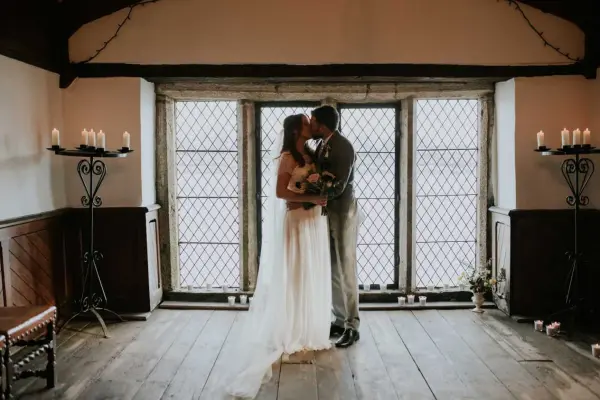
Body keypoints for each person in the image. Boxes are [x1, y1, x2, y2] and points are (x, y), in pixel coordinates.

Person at [223, 114, 332, 399]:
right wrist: (308, 198)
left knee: (310, 272)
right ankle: (290, 328)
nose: (312, 126)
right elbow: (281, 191)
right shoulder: (286, 157)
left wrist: (319, 192)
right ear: (297, 129)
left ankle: (308, 325)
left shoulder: (309, 153)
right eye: (308, 123)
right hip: (296, 220)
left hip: (313, 221)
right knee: (295, 273)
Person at [309, 105, 360, 348]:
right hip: (326, 213)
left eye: (313, 121)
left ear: (322, 124)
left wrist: (312, 193)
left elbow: (339, 185)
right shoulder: (321, 144)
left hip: (342, 213)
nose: (310, 125)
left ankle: (352, 325)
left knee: (346, 268)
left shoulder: (343, 146)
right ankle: (339, 320)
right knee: (332, 269)